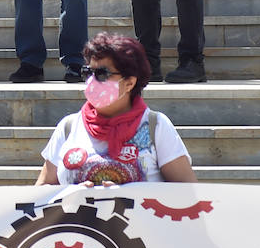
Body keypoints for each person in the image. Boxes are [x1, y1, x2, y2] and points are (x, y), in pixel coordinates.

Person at [36, 33, 196, 186]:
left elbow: (187, 193)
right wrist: (74, 194)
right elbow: (42, 191)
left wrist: (126, 195)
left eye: (102, 74)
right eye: (88, 72)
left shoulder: (156, 126)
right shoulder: (69, 126)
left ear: (129, 83)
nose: (92, 80)